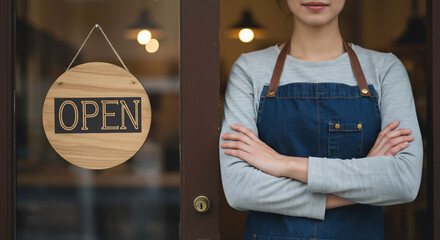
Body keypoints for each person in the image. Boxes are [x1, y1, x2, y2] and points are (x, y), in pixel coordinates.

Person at [218, 0, 424, 239]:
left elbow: (404, 182)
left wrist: (283, 163)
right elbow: (240, 190)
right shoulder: (249, 70)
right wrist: (364, 183)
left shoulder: (385, 69)